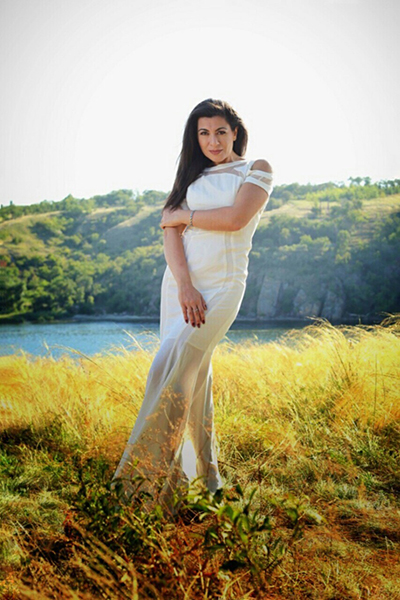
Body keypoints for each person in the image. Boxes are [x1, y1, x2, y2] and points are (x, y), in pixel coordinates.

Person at [112, 98, 274, 516]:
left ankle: (139, 488)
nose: (212, 141)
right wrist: (184, 286)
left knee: (167, 366)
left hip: (222, 287)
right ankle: (206, 481)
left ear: (235, 132)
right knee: (195, 381)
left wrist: (183, 215)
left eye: (220, 131)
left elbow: (235, 219)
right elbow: (169, 231)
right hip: (181, 289)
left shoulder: (256, 169)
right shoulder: (189, 176)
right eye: (203, 133)